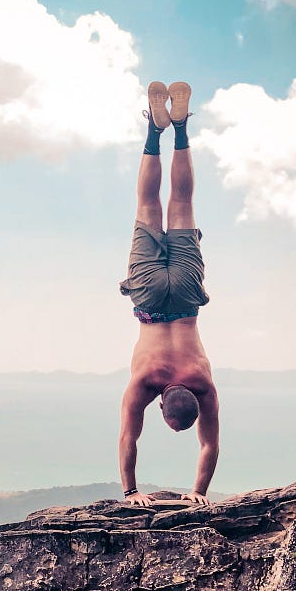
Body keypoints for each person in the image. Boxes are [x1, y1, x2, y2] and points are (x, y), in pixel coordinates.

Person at [118, 80, 219, 508]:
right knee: (146, 208)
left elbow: (211, 447)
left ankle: (174, 128)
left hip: (186, 301)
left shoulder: (204, 384)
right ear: (162, 404)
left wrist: (199, 491)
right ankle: (156, 133)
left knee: (180, 203)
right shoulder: (145, 383)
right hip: (149, 302)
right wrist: (131, 491)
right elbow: (128, 437)